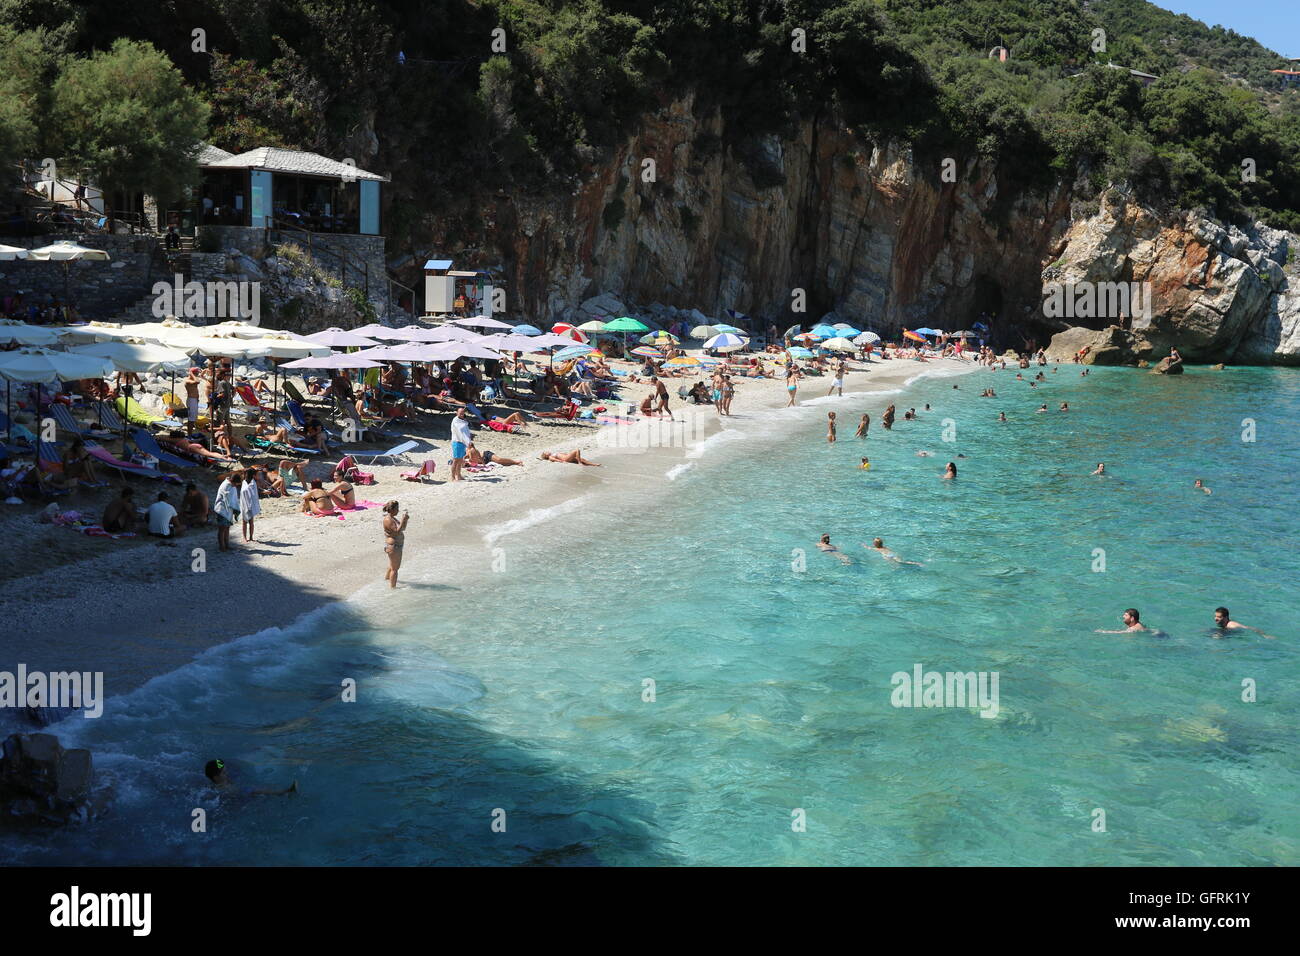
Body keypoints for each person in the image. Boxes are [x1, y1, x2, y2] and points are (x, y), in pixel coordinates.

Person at [204, 758, 297, 796]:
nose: (227, 773)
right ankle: (286, 791)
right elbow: (240, 792)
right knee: (255, 790)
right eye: (224, 773)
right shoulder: (223, 789)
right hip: (240, 796)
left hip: (239, 790)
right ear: (216, 777)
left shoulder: (221, 781)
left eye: (226, 771)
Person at [383, 500, 409, 589]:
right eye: (397, 509)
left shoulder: (393, 518)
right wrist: (402, 520)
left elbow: (402, 528)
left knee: (392, 566)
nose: (398, 511)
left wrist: (405, 520)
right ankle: (393, 588)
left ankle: (386, 580)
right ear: (392, 509)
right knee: (395, 569)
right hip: (394, 546)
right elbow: (396, 532)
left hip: (396, 546)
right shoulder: (388, 519)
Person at [213, 471, 240, 551]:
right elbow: (228, 499)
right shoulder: (226, 485)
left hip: (227, 510)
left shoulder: (231, 485)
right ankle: (222, 546)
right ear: (233, 481)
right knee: (222, 529)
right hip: (222, 510)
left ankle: (227, 545)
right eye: (235, 484)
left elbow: (232, 499)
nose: (235, 486)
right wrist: (236, 508)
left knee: (227, 528)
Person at [238, 467, 261, 542]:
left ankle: (251, 537)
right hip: (244, 503)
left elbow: (255, 492)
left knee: (251, 522)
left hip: (251, 504)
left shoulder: (253, 482)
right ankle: (245, 538)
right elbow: (244, 492)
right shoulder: (244, 482)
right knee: (244, 522)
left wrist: (263, 491)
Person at [450, 407, 472, 481]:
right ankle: (452, 477)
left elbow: (465, 431)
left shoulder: (462, 420)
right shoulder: (456, 421)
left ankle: (458, 475)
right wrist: (468, 442)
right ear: (457, 413)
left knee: (460, 460)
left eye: (463, 413)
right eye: (460, 413)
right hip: (457, 442)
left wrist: (468, 441)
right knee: (455, 461)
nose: (462, 414)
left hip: (462, 443)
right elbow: (460, 432)